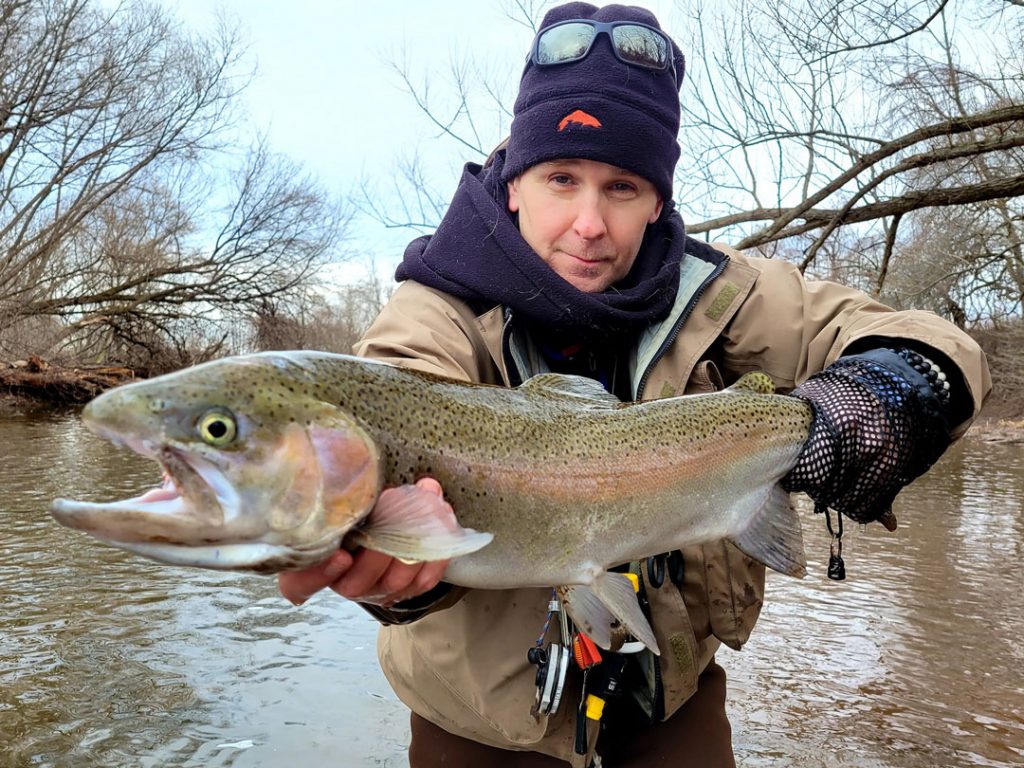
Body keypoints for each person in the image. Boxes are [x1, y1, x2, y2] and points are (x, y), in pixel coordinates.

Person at [279, 3, 992, 766]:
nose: (589, 222)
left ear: (657, 201)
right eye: (562, 179)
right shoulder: (434, 310)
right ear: (515, 183)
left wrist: (886, 391)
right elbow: (396, 389)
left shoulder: (724, 294)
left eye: (621, 188)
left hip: (670, 714)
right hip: (478, 734)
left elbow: (935, 344)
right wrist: (401, 579)